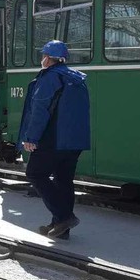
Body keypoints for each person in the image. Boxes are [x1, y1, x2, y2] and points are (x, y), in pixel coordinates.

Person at [17, 40, 90, 239]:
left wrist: (31, 137)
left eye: (43, 56)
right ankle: (60, 228)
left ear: (48, 59)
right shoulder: (77, 79)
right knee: (63, 180)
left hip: (53, 138)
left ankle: (64, 217)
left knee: (35, 174)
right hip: (75, 140)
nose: (42, 60)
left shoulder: (50, 78)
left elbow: (40, 110)